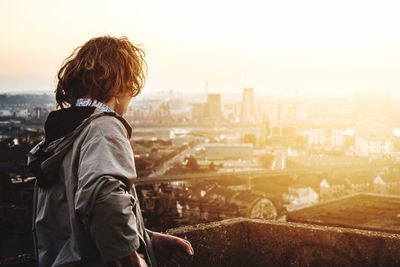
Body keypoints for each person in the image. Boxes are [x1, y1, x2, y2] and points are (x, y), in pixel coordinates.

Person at [28, 36, 194, 267]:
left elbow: (77, 219)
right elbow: (104, 200)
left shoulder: (64, 135)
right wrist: (132, 258)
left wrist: (148, 239)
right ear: (120, 85)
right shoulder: (105, 127)